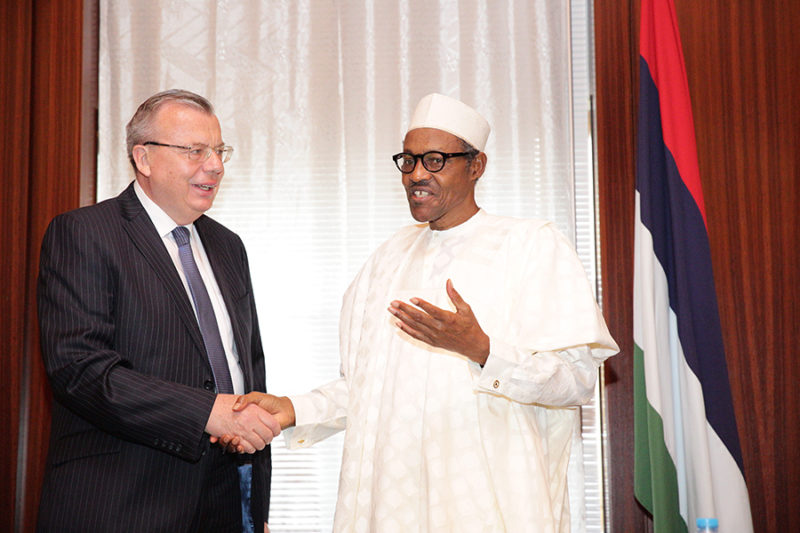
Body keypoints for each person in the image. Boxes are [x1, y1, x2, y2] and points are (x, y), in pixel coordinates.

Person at [228, 93, 619, 532]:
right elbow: (369, 390)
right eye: (409, 160)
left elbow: (577, 380)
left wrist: (482, 350)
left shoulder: (531, 246)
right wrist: (292, 408)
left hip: (491, 509)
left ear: (476, 166)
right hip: (390, 508)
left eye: (435, 160)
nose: (417, 174)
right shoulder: (386, 260)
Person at [36, 89, 279, 533]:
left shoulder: (229, 247)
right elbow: (81, 370)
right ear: (143, 159)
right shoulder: (85, 233)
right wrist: (207, 411)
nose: (215, 165)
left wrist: (254, 505)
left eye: (219, 150)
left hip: (224, 505)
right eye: (195, 151)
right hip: (122, 503)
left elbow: (248, 367)